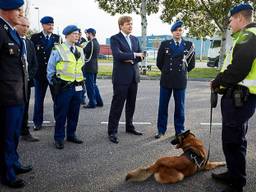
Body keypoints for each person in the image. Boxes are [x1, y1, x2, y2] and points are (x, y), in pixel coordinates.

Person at [211, 3, 256, 192]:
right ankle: (234, 173)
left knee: (233, 141)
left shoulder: (248, 36)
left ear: (239, 18)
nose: (229, 24)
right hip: (241, 98)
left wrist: (217, 82)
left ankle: (236, 184)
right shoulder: (246, 36)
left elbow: (238, 68)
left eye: (230, 20)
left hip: (240, 98)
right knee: (236, 139)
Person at [0, 0, 32, 188]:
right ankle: (7, 174)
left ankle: (14, 163)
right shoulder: (1, 30)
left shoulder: (10, 30)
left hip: (17, 94)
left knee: (13, 135)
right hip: (6, 96)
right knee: (6, 135)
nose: (20, 13)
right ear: (5, 10)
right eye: (17, 10)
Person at [154, 20, 195, 139]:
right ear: (172, 32)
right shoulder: (165, 44)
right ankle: (161, 130)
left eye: (180, 30)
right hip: (166, 79)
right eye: (176, 30)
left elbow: (191, 64)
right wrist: (167, 71)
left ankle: (179, 131)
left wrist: (182, 72)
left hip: (180, 80)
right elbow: (159, 62)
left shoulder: (188, 45)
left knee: (180, 107)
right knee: (163, 106)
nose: (178, 32)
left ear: (182, 32)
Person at [107, 16, 145, 144]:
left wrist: (131, 58)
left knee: (131, 104)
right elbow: (118, 55)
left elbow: (142, 55)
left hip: (134, 77)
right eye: (128, 24)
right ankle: (112, 131)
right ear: (121, 26)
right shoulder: (115, 39)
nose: (130, 26)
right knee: (117, 105)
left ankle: (129, 126)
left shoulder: (135, 39)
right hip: (121, 78)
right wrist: (134, 55)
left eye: (131, 24)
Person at [47, 25, 84, 149]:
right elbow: (50, 69)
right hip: (63, 87)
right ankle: (59, 138)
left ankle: (71, 134)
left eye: (78, 34)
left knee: (74, 113)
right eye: (74, 34)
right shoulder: (58, 49)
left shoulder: (80, 50)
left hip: (77, 86)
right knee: (61, 114)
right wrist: (54, 84)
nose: (77, 36)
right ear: (67, 35)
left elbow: (80, 67)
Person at [30, 16, 61, 131]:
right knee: (39, 100)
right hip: (40, 74)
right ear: (42, 25)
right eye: (48, 24)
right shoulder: (35, 37)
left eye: (52, 24)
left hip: (53, 74)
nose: (51, 26)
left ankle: (59, 120)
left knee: (57, 99)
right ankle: (37, 122)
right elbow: (32, 55)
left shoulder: (57, 38)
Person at [15, 17, 39, 142]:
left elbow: (35, 64)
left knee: (25, 108)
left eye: (27, 26)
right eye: (23, 25)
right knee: (12, 110)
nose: (25, 28)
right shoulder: (11, 40)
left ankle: (24, 132)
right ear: (15, 24)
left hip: (26, 83)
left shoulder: (29, 43)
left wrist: (28, 77)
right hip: (12, 84)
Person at [82, 28, 103, 108]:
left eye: (87, 34)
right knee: (94, 85)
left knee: (90, 86)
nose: (86, 35)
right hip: (94, 67)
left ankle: (92, 103)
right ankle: (99, 101)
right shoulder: (96, 42)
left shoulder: (91, 43)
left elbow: (84, 52)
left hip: (89, 67)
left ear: (90, 34)